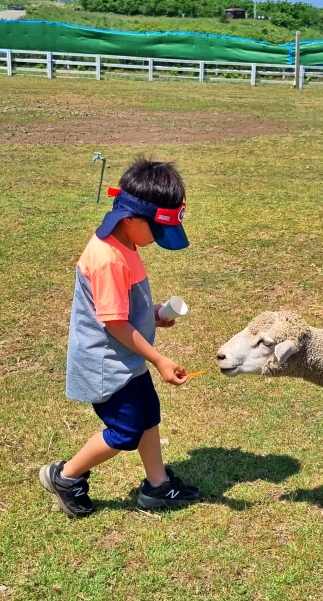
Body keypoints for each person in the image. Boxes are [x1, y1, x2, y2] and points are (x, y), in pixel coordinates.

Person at [39, 158, 202, 518]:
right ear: (131, 219)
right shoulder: (109, 258)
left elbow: (122, 308)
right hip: (107, 363)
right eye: (156, 231)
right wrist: (159, 359)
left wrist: (153, 313)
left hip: (126, 356)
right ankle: (65, 476)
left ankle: (158, 486)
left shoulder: (125, 244)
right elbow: (113, 323)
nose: (157, 240)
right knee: (125, 430)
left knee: (148, 414)